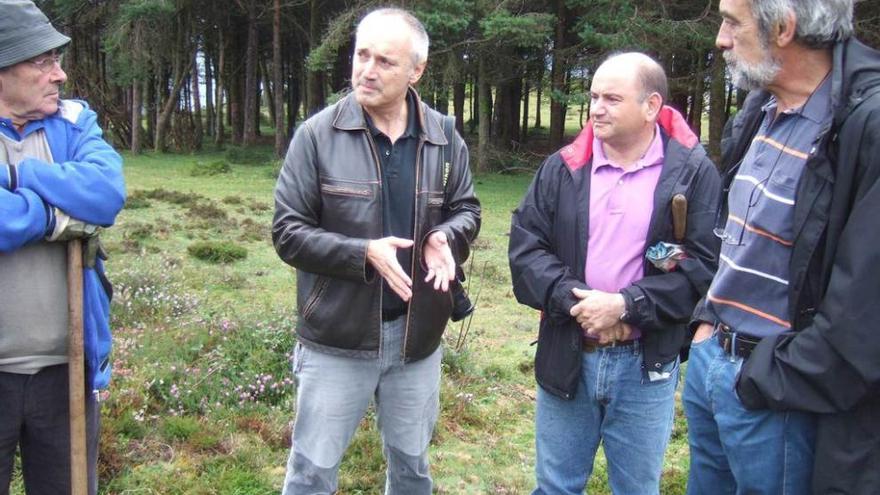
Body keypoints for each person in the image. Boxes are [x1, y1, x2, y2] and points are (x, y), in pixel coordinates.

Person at [272, 7, 480, 494]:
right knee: (311, 473)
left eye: (385, 61)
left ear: (416, 71)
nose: (367, 69)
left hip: (417, 339)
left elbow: (467, 209)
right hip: (337, 339)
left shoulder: (444, 138)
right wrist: (362, 252)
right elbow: (286, 232)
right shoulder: (317, 136)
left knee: (411, 470)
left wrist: (445, 237)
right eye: (361, 55)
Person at [683, 0, 880, 493]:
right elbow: (737, 238)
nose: (721, 39)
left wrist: (768, 375)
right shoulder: (762, 110)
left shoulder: (865, 125)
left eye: (732, 22)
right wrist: (707, 326)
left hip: (781, 393)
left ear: (785, 28)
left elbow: (866, 306)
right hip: (715, 364)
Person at [508, 52, 721, 495]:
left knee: (637, 489)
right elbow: (525, 250)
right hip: (568, 354)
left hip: (646, 364)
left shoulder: (692, 175)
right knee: (555, 488)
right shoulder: (563, 168)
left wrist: (626, 305)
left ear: (651, 106)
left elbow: (702, 268)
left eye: (611, 98)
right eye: (593, 96)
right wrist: (575, 300)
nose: (596, 108)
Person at [0, 1, 126, 493]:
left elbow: (105, 193)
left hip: (65, 371)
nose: (60, 74)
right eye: (43, 62)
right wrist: (54, 216)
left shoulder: (73, 123)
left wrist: (18, 175)